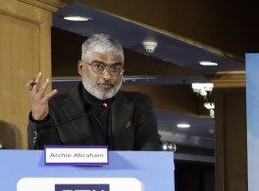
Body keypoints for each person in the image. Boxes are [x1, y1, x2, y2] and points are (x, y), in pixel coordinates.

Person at [26, 33, 162, 151]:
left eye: (115, 69)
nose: (107, 76)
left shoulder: (138, 104)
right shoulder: (55, 106)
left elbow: (152, 151)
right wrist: (39, 120)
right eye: (98, 66)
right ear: (81, 67)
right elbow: (41, 158)